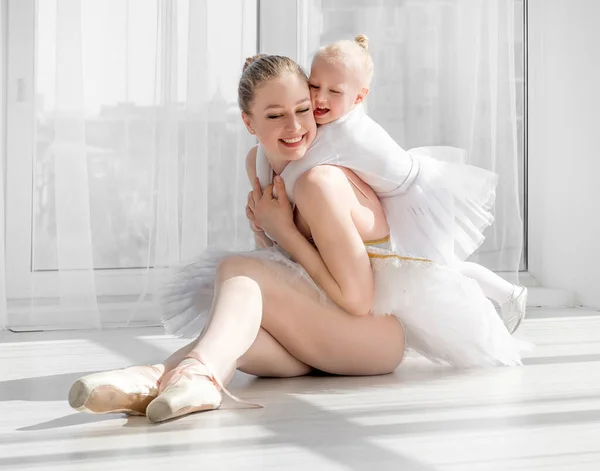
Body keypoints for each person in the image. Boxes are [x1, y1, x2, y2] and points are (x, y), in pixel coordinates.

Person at [68, 55, 524, 424]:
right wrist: (265, 230)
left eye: (303, 110)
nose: (295, 127)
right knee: (241, 325)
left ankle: (175, 376)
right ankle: (156, 380)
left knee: (236, 269)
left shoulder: (318, 181)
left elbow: (359, 298)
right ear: (249, 122)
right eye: (275, 115)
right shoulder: (259, 164)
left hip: (376, 333)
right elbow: (285, 271)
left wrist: (281, 227)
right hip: (318, 336)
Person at [268, 35, 527, 334]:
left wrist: (273, 200)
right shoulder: (344, 117)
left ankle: (509, 295)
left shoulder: (341, 134)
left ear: (359, 97)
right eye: (313, 86)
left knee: (438, 268)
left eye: (334, 91)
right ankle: (501, 297)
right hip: (403, 190)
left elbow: (297, 170)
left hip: (415, 196)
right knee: (431, 267)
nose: (319, 98)